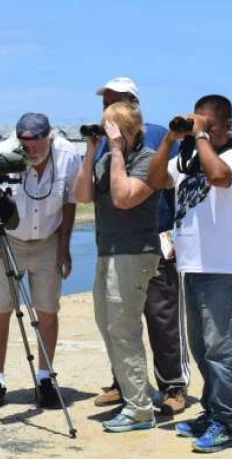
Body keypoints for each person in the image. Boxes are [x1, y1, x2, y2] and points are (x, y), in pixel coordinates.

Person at [147, 95, 232, 453]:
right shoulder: (187, 158)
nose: (199, 130)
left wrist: (202, 136)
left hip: (225, 271)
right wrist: (169, 140)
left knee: (221, 351)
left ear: (225, 126)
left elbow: (220, 177)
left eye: (207, 124)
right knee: (201, 349)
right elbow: (156, 177)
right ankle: (210, 413)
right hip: (192, 267)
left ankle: (226, 422)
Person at [0, 112, 82, 413]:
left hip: (48, 240)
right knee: (0, 309)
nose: (29, 150)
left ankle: (45, 379)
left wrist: (64, 247)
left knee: (47, 309)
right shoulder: (0, 155)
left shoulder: (68, 155)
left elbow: (70, 201)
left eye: (36, 143)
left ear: (50, 138)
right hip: (8, 240)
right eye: (24, 143)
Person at [91, 77, 189, 416]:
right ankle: (124, 383)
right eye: (105, 103)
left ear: (133, 103)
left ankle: (173, 385)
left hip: (157, 235)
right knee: (120, 320)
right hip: (116, 240)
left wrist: (179, 231)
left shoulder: (160, 135)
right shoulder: (107, 141)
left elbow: (178, 179)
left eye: (115, 101)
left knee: (161, 313)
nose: (108, 109)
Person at [72, 101, 161, 432]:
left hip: (135, 252)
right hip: (107, 251)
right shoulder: (107, 158)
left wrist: (116, 151)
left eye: (115, 129)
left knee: (123, 330)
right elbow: (82, 195)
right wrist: (91, 151)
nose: (110, 134)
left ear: (133, 132)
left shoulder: (149, 160)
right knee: (107, 324)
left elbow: (124, 198)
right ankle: (137, 391)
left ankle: (139, 410)